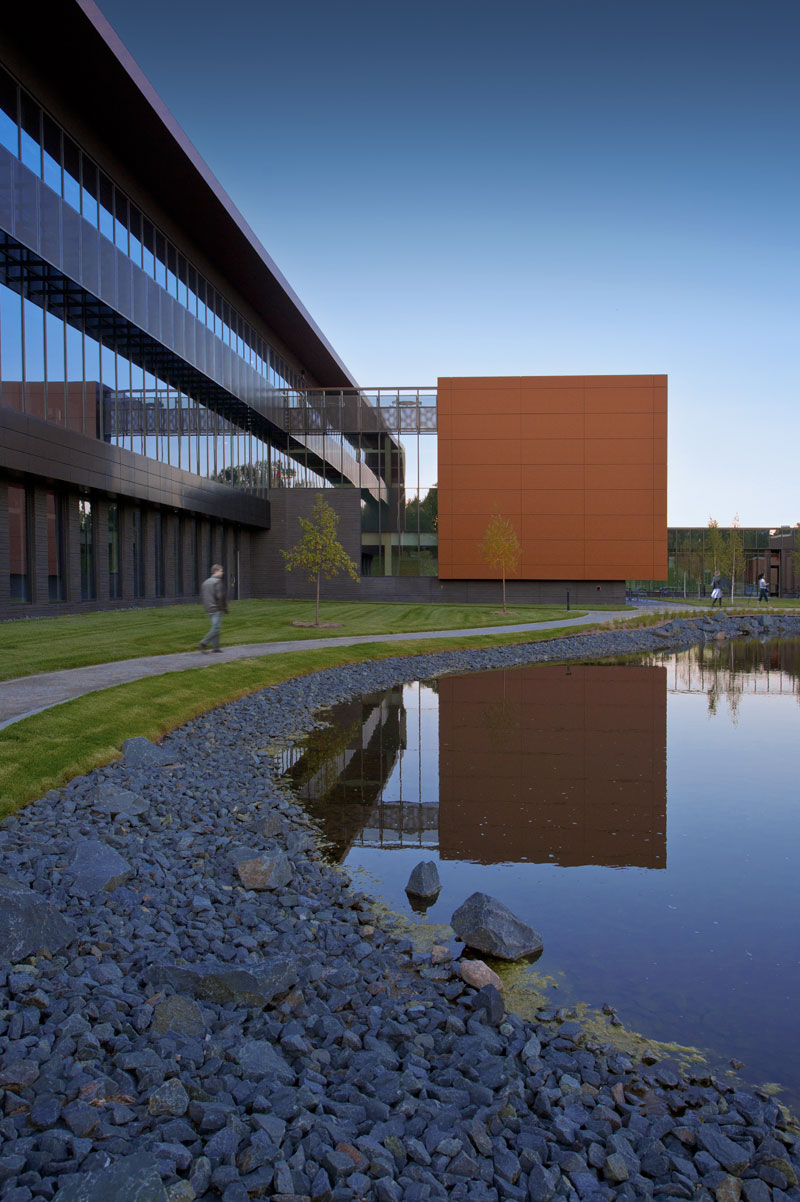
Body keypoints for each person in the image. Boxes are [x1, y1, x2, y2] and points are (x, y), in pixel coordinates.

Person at [198, 564, 228, 652]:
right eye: (221, 571)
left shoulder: (205, 582)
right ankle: (203, 643)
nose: (222, 572)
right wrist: (224, 608)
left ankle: (216, 648)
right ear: (216, 571)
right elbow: (220, 597)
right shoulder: (217, 582)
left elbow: (202, 596)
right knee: (216, 628)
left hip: (208, 608)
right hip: (216, 608)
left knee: (215, 627)